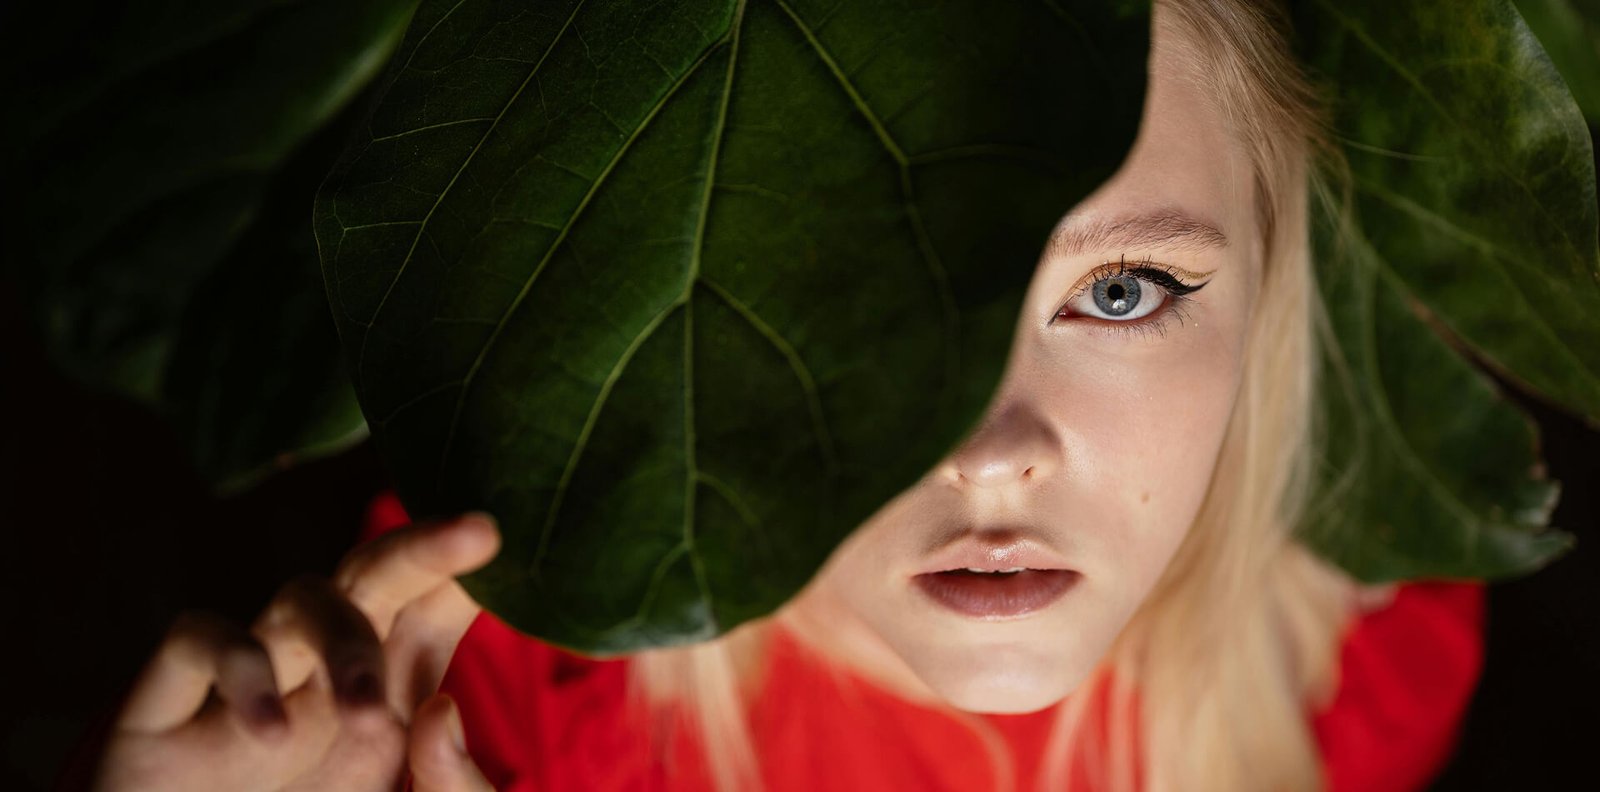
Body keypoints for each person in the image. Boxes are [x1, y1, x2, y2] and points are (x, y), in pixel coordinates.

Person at [82, 0, 1487, 790]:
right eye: (842, 285)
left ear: (1272, 287)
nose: (989, 451)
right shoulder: (497, 654)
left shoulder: (1356, 672)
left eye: (1120, 292)